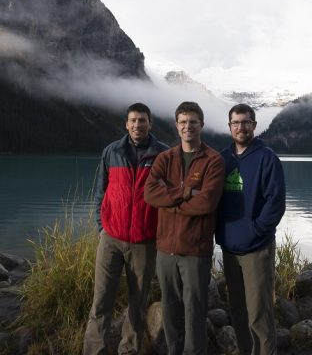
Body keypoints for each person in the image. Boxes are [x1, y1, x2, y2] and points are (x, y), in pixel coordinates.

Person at [83, 103, 170, 355]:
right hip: (110, 238)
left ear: (150, 123)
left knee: (137, 302)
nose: (137, 125)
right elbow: (100, 192)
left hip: (144, 241)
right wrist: (101, 227)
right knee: (101, 300)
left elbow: (168, 196)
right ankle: (93, 351)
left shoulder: (162, 154)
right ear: (126, 124)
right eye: (133, 120)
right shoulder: (111, 151)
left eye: (142, 120)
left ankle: (128, 350)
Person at [144, 101, 225, 355]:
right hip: (165, 249)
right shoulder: (165, 158)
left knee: (194, 309)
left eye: (193, 122)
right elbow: (149, 193)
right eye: (183, 122)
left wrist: (170, 202)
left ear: (201, 125)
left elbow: (207, 202)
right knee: (170, 307)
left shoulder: (214, 160)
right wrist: (185, 193)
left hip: (195, 251)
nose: (187, 126)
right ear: (176, 126)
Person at [216, 103, 286, 355]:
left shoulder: (267, 158)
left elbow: (275, 203)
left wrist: (255, 231)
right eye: (236, 122)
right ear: (229, 127)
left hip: (257, 248)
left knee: (259, 313)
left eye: (246, 122)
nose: (241, 127)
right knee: (238, 310)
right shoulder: (223, 158)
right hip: (230, 247)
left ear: (254, 125)